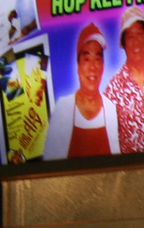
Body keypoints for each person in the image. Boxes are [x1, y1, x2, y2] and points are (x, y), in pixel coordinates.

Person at [43, 23, 119, 160]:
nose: (92, 67)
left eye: (97, 59)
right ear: (78, 66)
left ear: (103, 66)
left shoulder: (111, 109)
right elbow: (49, 167)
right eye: (86, 59)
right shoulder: (63, 108)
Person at [104, 6, 144, 154]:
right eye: (130, 36)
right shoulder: (113, 88)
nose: (136, 41)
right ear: (123, 43)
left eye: (140, 34)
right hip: (131, 171)